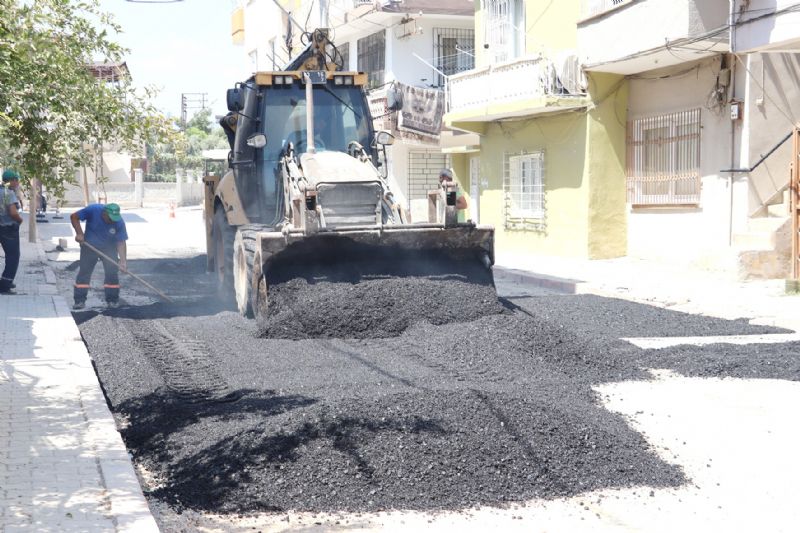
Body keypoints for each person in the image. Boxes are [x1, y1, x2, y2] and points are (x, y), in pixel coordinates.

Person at [70, 203, 128, 309]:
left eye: (114, 219)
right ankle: (79, 301)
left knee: (112, 273)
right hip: (89, 247)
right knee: (84, 273)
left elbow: (121, 242)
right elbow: (74, 216)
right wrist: (79, 233)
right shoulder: (93, 209)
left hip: (109, 248)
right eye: (110, 218)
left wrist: (123, 261)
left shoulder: (119, 222)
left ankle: (112, 300)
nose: (112, 221)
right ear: (104, 213)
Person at [0, 169, 23, 294]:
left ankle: (5, 280)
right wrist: (20, 220)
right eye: (17, 180)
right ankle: (5, 284)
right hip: (8, 229)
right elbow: (13, 212)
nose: (18, 183)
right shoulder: (8, 193)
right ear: (12, 180)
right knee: (13, 256)